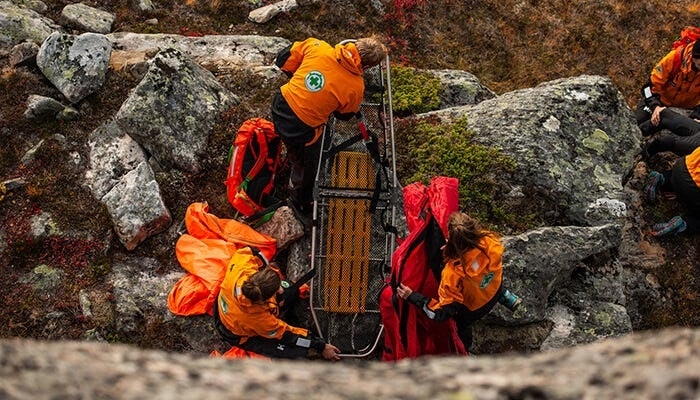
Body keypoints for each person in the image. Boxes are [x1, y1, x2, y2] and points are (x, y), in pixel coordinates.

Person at [270, 36, 388, 216]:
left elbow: (283, 60)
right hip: (302, 129)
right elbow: (344, 115)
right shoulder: (356, 87)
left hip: (280, 105)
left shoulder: (317, 46)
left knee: (292, 140)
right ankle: (299, 201)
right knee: (309, 164)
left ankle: (280, 156)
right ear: (368, 66)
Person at [395, 212, 521, 352]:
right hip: (495, 288)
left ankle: (465, 349)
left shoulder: (452, 273)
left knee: (460, 324)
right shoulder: (489, 241)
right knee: (485, 279)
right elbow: (474, 260)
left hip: (473, 310)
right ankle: (506, 297)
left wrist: (412, 296)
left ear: (451, 240)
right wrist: (453, 247)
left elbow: (440, 313)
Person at [213, 246, 340, 360]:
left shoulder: (242, 270)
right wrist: (320, 346)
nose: (279, 289)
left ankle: (292, 293)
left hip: (228, 306)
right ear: (263, 300)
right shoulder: (262, 321)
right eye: (276, 290)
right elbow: (288, 334)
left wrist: (266, 266)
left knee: (288, 289)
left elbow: (251, 251)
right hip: (237, 333)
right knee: (295, 351)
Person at [635, 39, 700, 138]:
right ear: (693, 57)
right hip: (658, 101)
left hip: (683, 110)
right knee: (635, 123)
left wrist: (697, 116)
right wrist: (655, 106)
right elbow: (648, 87)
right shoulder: (674, 59)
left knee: (666, 138)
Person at [642, 145, 700, 236]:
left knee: (675, 177)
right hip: (693, 188)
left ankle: (661, 178)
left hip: (682, 166)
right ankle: (682, 226)